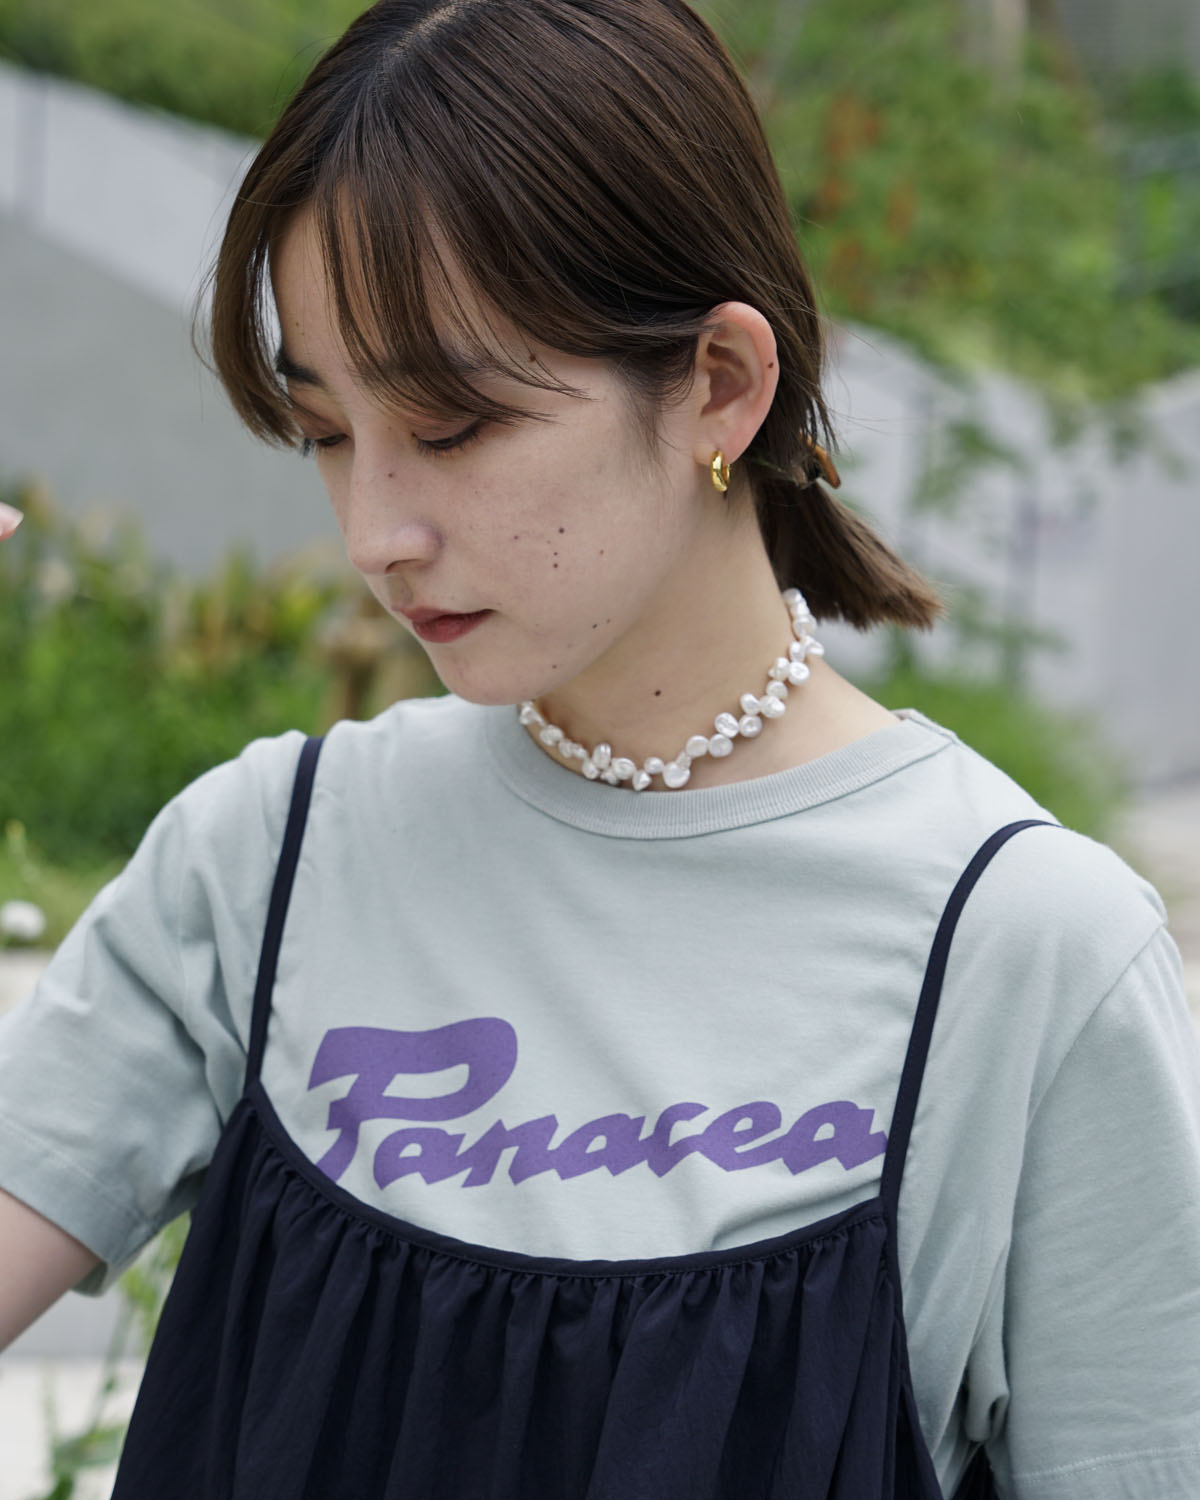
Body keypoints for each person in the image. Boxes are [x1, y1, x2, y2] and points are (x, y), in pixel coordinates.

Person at [1, 1, 1198, 1495]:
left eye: (451, 426)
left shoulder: (1024, 955)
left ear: (720, 385)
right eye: (325, 431)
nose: (374, 533)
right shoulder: (269, 860)